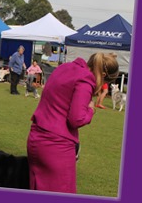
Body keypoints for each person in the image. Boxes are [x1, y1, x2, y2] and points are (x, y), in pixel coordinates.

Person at [27, 53, 119, 193]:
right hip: (57, 146)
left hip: (36, 139)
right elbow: (76, 118)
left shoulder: (65, 67)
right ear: (103, 74)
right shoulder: (86, 80)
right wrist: (90, 110)